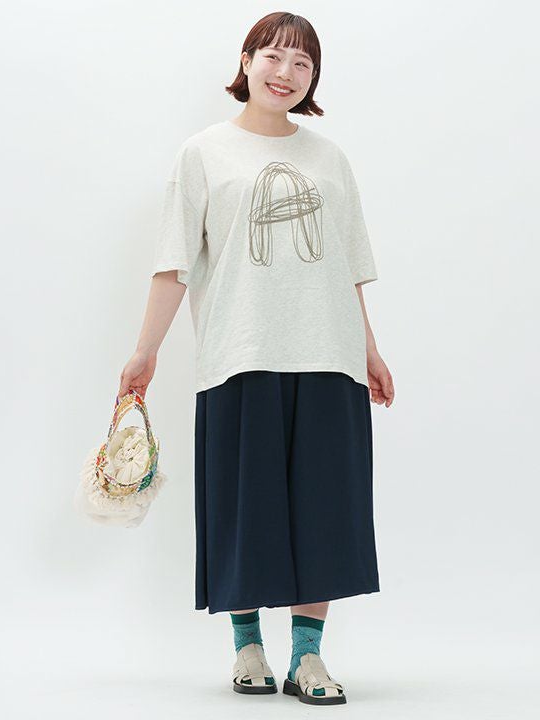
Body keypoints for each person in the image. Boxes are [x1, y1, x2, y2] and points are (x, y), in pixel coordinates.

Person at [118, 11, 394, 706]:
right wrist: (145, 352)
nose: (286, 73)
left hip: (329, 354)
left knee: (325, 511)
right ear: (245, 62)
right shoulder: (203, 153)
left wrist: (369, 349)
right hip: (239, 352)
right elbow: (174, 262)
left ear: (313, 78)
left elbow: (349, 267)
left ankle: (308, 657)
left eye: (303, 63)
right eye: (273, 56)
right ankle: (247, 645)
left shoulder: (330, 159)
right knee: (245, 510)